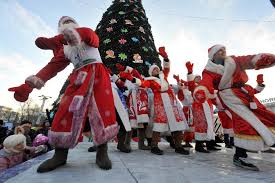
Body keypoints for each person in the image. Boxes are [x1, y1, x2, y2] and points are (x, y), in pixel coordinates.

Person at [8, 16, 119, 172]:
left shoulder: (87, 34)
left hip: (98, 75)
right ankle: (60, 155)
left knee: (101, 111)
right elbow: (52, 67)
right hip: (78, 78)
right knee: (64, 111)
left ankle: (102, 151)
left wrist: (72, 35)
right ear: (59, 29)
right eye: (63, 23)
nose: (66, 23)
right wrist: (31, 84)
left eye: (69, 21)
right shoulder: (64, 49)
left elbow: (90, 36)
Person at [193, 44, 275, 171]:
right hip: (229, 95)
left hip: (245, 93)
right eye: (219, 51)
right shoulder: (209, 70)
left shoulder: (234, 61)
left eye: (224, 50)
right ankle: (240, 156)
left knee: (263, 115)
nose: (223, 52)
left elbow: (248, 60)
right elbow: (206, 83)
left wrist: (260, 59)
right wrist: (201, 90)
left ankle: (269, 140)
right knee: (244, 121)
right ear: (213, 55)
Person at [120, 47, 189, 155]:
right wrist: (131, 78)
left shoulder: (164, 76)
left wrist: (165, 58)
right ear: (151, 73)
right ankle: (154, 146)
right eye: (154, 70)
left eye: (157, 69)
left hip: (171, 103)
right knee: (159, 124)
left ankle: (178, 146)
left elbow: (167, 68)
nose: (156, 70)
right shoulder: (150, 81)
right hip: (159, 102)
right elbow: (142, 83)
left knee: (177, 124)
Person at [185, 62, 219, 153]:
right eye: (197, 77)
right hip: (199, 107)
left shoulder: (205, 87)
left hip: (208, 107)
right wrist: (190, 72)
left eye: (200, 77)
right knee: (201, 125)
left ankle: (210, 144)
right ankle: (199, 145)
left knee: (209, 125)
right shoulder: (193, 87)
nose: (199, 78)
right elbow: (190, 83)